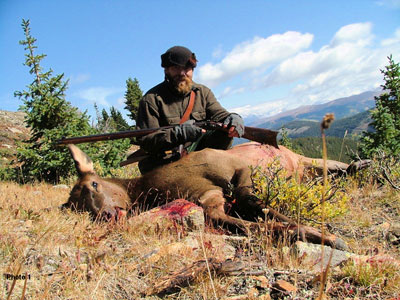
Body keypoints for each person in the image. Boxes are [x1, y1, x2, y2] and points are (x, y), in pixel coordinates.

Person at [135, 45, 244, 174]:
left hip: (196, 155)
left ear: (192, 70)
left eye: (187, 68)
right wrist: (177, 134)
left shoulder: (203, 92)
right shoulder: (151, 99)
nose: (182, 73)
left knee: (223, 131)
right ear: (166, 70)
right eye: (176, 68)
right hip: (165, 162)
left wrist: (234, 118)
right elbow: (146, 141)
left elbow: (220, 115)